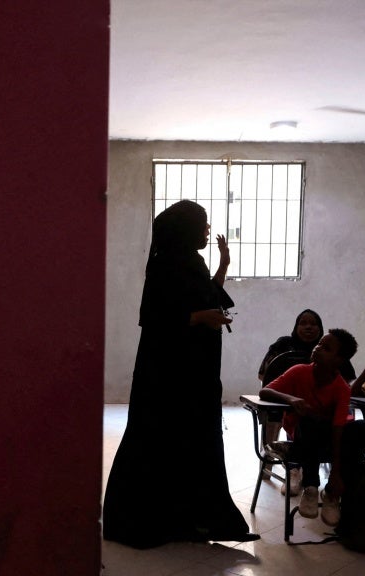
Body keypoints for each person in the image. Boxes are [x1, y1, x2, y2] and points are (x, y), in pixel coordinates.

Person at [102, 200, 259, 548]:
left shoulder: (194, 262)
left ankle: (200, 519)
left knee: (198, 440)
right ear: (185, 229)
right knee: (162, 439)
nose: (207, 231)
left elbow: (209, 296)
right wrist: (201, 318)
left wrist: (223, 265)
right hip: (168, 375)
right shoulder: (164, 266)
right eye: (202, 225)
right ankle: (156, 519)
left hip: (198, 372)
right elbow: (156, 319)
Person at [260, 328, 359, 523]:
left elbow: (338, 428)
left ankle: (332, 493)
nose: (318, 348)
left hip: (328, 440)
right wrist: (290, 398)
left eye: (326, 348)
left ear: (339, 360)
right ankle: (312, 488)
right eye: (320, 344)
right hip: (301, 438)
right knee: (310, 420)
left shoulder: (341, 388)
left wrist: (335, 473)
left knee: (360, 428)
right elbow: (265, 391)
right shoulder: (299, 372)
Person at [258, 308, 357, 385]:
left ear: (320, 328)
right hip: (283, 399)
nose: (308, 327)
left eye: (313, 324)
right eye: (303, 323)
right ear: (296, 327)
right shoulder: (283, 344)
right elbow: (263, 375)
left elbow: (348, 377)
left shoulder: (329, 348)